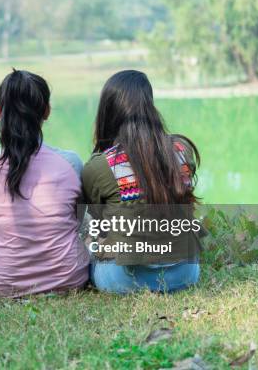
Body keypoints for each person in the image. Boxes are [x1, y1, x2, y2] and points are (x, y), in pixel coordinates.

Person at [0, 69, 89, 298]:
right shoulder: (71, 163)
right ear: (47, 111)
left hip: (4, 284)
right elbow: (77, 219)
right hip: (69, 279)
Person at [82, 70, 203, 294]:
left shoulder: (100, 166)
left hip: (123, 280)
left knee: (89, 238)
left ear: (108, 111)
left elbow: (98, 218)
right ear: (150, 105)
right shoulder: (180, 150)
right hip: (185, 274)